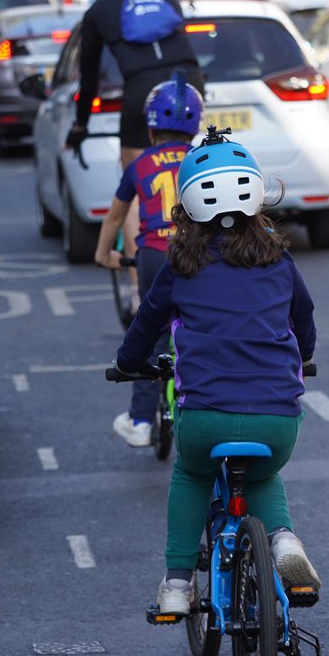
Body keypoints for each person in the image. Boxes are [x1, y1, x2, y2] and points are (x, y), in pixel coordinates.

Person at [112, 126, 320, 615]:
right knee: (264, 474)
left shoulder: (180, 266)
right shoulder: (279, 261)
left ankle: (178, 585)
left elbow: (147, 324)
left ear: (186, 209)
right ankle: (284, 540)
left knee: (190, 473)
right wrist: (304, 355)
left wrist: (128, 363)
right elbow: (304, 319)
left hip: (205, 418)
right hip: (277, 419)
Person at [95, 72, 204, 447]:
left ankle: (141, 421)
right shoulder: (200, 159)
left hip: (155, 255)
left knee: (152, 334)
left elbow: (115, 216)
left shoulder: (140, 165)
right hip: (197, 251)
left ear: (151, 126)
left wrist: (104, 253)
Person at [66, 0, 204, 170]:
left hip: (142, 89)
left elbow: (89, 78)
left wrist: (81, 125)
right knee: (182, 169)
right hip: (187, 84)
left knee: (136, 181)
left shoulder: (99, 9)